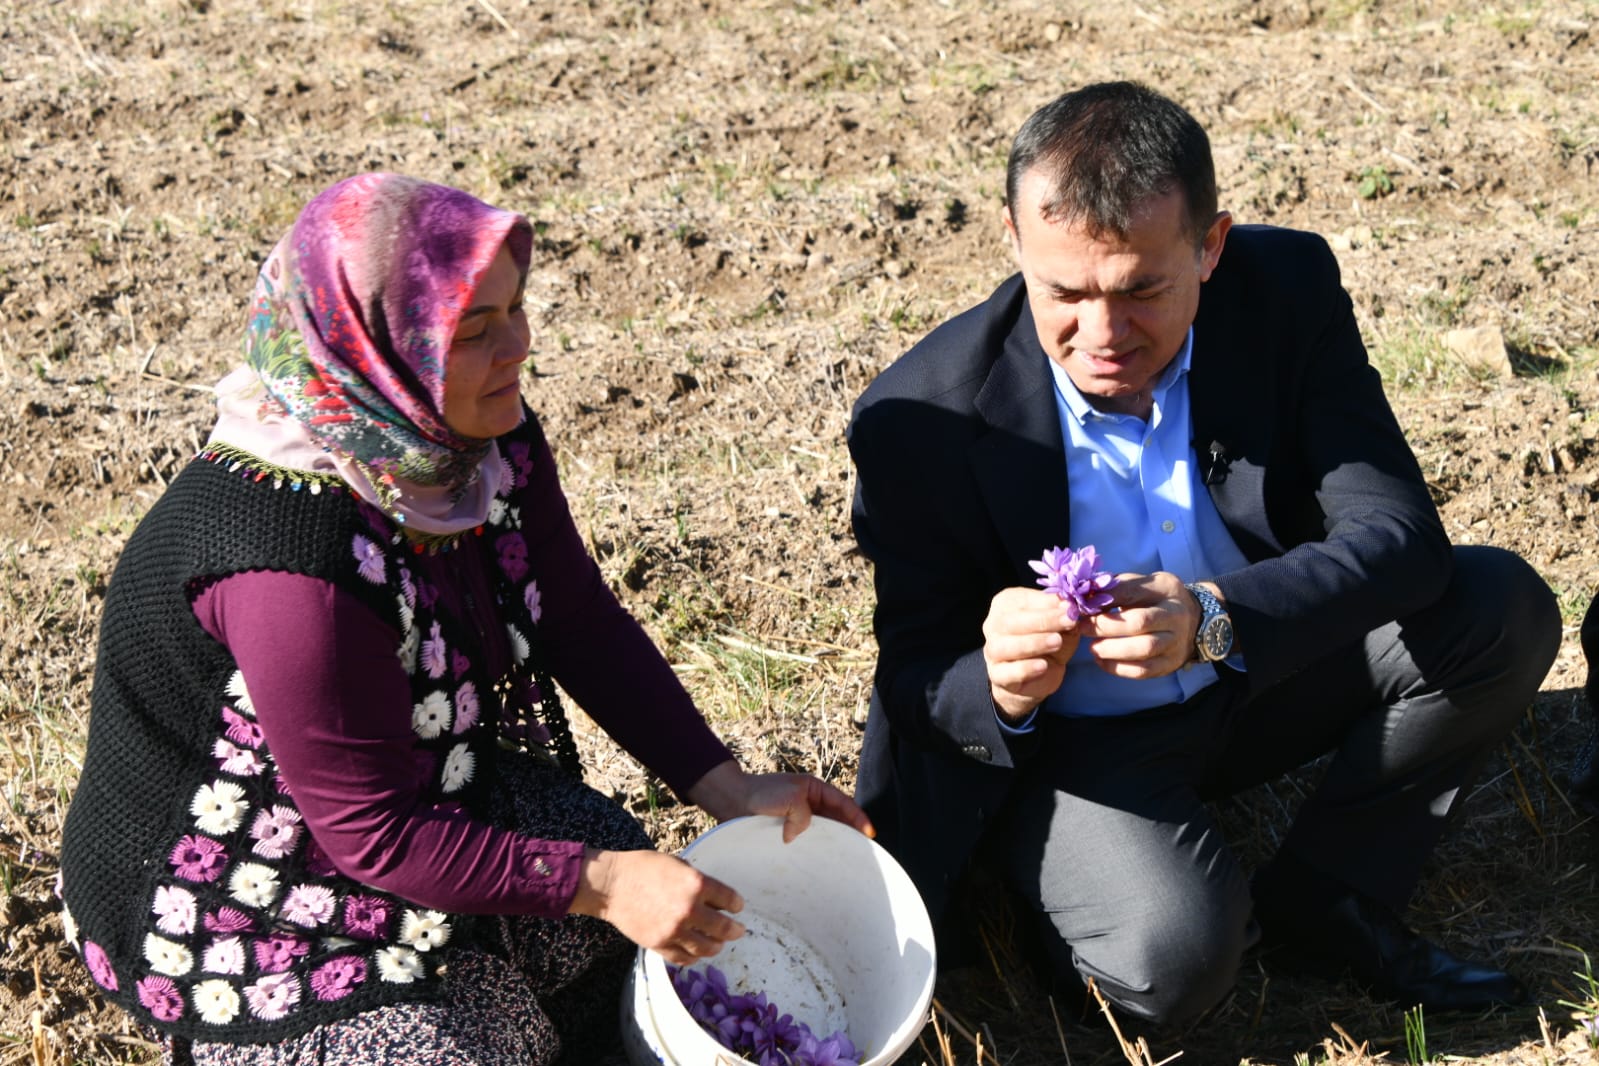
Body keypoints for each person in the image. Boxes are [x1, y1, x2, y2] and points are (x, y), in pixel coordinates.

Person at [58, 173, 871, 1065]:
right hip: (232, 888)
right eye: (475, 331)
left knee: (634, 901)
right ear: (379, 353)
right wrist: (597, 886)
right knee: (467, 1037)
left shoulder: (473, 446)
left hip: (415, 795)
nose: (519, 347)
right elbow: (370, 830)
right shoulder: (290, 556)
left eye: (516, 310)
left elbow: (573, 616)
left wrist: (724, 786)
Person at [846, 81, 1559, 1026]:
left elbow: (1396, 538)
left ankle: (1329, 897)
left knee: (1494, 608)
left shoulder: (1283, 289)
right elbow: (915, 680)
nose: (1102, 336)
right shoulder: (922, 417)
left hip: (1249, 676)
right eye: (1063, 292)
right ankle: (1058, 891)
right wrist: (1000, 684)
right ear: (1012, 244)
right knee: (1171, 971)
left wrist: (1213, 618)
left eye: (1143, 288)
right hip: (1075, 748)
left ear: (1210, 247)